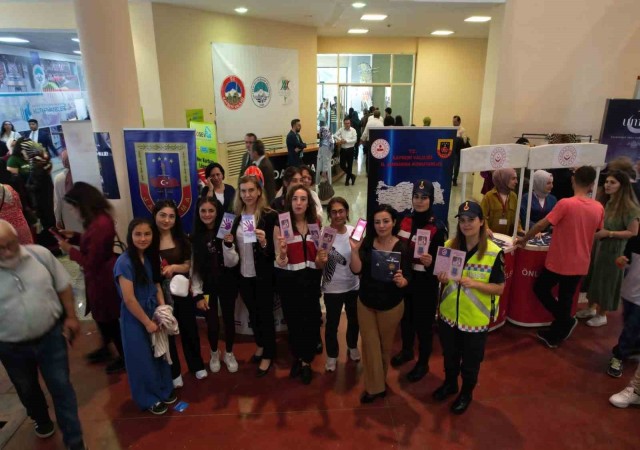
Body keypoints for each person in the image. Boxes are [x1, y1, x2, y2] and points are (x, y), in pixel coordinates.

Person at [0, 219, 86, 449]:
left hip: (50, 338)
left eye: (10, 244)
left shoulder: (40, 256)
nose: (7, 252)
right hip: (11, 346)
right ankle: (40, 417)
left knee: (61, 387)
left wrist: (71, 316)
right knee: (26, 388)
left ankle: (75, 442)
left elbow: (63, 285)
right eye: (0, 248)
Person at [515, 166, 604, 348]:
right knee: (566, 297)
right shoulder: (598, 207)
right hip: (581, 261)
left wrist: (524, 239)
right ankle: (559, 328)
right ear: (592, 184)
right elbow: (597, 231)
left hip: (561, 260)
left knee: (541, 288)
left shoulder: (565, 203)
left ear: (573, 180)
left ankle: (564, 322)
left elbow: (541, 224)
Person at [434, 201, 505, 414]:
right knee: (449, 355)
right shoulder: (449, 245)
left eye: (471, 220)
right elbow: (442, 278)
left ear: (481, 221)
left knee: (471, 362)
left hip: (474, 319)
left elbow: (499, 288)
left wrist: (475, 284)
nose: (466, 224)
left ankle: (466, 393)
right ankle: (450, 384)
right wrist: (441, 277)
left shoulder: (493, 252)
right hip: (448, 315)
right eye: (462, 220)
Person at [56, 182, 125, 374]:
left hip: (102, 278)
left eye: (74, 207)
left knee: (109, 317)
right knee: (102, 316)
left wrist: (69, 250)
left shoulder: (101, 224)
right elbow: (92, 244)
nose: (73, 211)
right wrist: (75, 237)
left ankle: (123, 356)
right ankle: (107, 348)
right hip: (99, 277)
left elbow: (91, 261)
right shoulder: (99, 220)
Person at [114, 218, 176, 415]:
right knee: (141, 358)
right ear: (130, 236)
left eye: (147, 234)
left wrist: (162, 309)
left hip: (152, 311)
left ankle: (163, 389)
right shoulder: (124, 262)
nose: (143, 238)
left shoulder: (149, 257)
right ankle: (148, 398)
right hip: (135, 317)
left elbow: (156, 284)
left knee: (159, 353)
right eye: (138, 234)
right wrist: (147, 322)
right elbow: (129, 299)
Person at [350, 204, 411, 403]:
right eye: (377, 222)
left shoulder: (402, 247)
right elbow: (357, 270)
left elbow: (408, 277)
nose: (381, 225)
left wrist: (403, 281)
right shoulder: (367, 242)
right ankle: (375, 388)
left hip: (391, 306)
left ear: (394, 222)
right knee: (370, 346)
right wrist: (354, 252)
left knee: (384, 348)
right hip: (366, 303)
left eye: (385, 221)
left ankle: (379, 383)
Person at [392, 180, 447, 382]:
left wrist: (432, 263)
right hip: (406, 281)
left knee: (424, 326)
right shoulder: (404, 220)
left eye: (424, 197)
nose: (419, 201)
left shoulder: (438, 227)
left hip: (425, 285)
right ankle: (407, 351)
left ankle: (423, 363)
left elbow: (442, 266)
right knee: (406, 320)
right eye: (416, 196)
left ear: (431, 200)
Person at [152, 200, 207, 386]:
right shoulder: (149, 240)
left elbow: (187, 266)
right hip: (159, 294)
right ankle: (174, 372)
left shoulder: (182, 239)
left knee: (189, 329)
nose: (166, 220)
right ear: (155, 215)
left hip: (181, 292)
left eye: (171, 216)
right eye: (162, 215)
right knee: (167, 333)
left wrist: (173, 267)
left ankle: (196, 365)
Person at [275, 184, 324, 385]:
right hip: (289, 282)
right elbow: (280, 261)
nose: (299, 203)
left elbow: (319, 260)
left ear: (309, 202)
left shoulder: (315, 223)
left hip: (311, 281)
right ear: (289, 201)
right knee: (294, 322)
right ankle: (299, 358)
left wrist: (322, 258)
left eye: (303, 199)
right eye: (295, 199)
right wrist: (283, 253)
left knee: (310, 321)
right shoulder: (282, 223)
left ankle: (306, 361)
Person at [579, 171, 640, 327]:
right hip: (600, 246)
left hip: (615, 250)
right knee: (595, 277)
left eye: (612, 182)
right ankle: (591, 307)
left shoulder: (630, 208)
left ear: (622, 185)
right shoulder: (607, 202)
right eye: (607, 182)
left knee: (608, 281)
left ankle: (602, 313)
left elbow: (633, 232)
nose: (607, 185)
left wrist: (610, 233)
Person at [231, 175, 278, 377]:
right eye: (243, 191)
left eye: (251, 190)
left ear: (259, 191)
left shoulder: (270, 216)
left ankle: (269, 353)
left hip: (263, 276)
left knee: (265, 315)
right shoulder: (236, 218)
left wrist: (265, 242)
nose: (247, 194)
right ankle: (260, 344)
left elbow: (276, 252)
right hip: (243, 275)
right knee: (253, 313)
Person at [190, 196, 240, 374]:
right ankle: (214, 352)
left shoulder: (227, 230)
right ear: (198, 213)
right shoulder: (195, 237)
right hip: (208, 287)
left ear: (217, 212)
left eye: (211, 210)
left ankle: (229, 353)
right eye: (203, 211)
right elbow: (194, 269)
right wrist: (197, 293)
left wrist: (228, 245)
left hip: (228, 283)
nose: (207, 214)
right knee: (211, 323)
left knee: (228, 320)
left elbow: (233, 262)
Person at [319, 197, 361, 372]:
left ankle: (352, 346)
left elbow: (360, 260)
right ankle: (332, 355)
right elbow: (318, 264)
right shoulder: (324, 234)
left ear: (347, 212)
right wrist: (321, 259)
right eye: (334, 212)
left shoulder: (354, 233)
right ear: (329, 214)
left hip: (353, 286)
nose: (338, 215)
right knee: (332, 324)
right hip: (332, 288)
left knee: (354, 320)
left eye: (341, 211)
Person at [607, 233, 640, 377]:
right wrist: (620, 261)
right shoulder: (635, 241)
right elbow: (626, 262)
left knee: (632, 326)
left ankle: (619, 356)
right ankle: (633, 347)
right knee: (629, 323)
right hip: (629, 292)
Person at [481, 168, 522, 237]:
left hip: (507, 238)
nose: (516, 182)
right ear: (503, 179)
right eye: (513, 179)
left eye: (516, 178)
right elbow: (482, 216)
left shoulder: (514, 196)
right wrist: (486, 229)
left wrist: (519, 230)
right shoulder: (489, 196)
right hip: (491, 237)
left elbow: (516, 217)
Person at [53, 150, 83, 233]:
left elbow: (57, 202)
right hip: (85, 215)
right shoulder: (83, 174)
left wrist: (58, 219)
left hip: (69, 217)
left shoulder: (58, 178)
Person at [250, 140, 276, 204]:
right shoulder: (264, 162)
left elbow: (264, 187)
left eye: (250, 151)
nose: (249, 153)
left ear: (255, 153)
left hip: (266, 201)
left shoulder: (263, 166)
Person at [334, 117, 358, 186]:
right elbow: (335, 135)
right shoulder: (341, 129)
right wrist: (340, 139)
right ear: (344, 124)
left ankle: (347, 181)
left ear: (350, 123)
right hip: (343, 150)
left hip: (350, 150)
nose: (347, 125)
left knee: (350, 165)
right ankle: (352, 176)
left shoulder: (353, 130)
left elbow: (355, 140)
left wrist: (346, 141)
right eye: (346, 123)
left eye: (348, 123)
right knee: (342, 165)